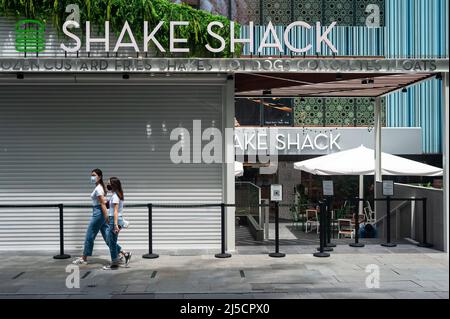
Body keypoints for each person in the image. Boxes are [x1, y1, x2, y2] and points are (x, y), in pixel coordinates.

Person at [72, 169, 130, 265]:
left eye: (94, 175)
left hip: (98, 214)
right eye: (91, 175)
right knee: (108, 238)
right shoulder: (99, 187)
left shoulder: (99, 188)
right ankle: (123, 253)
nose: (92, 177)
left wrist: (106, 216)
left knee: (90, 235)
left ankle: (84, 257)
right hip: (100, 213)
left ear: (99, 177)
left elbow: (102, 204)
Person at [103, 177, 132, 270]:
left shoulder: (116, 196)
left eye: (109, 184)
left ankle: (114, 263)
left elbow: (115, 211)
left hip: (114, 220)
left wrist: (115, 225)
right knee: (109, 240)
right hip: (114, 220)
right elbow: (111, 207)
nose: (107, 185)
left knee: (111, 242)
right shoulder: (116, 195)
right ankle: (124, 253)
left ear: (113, 185)